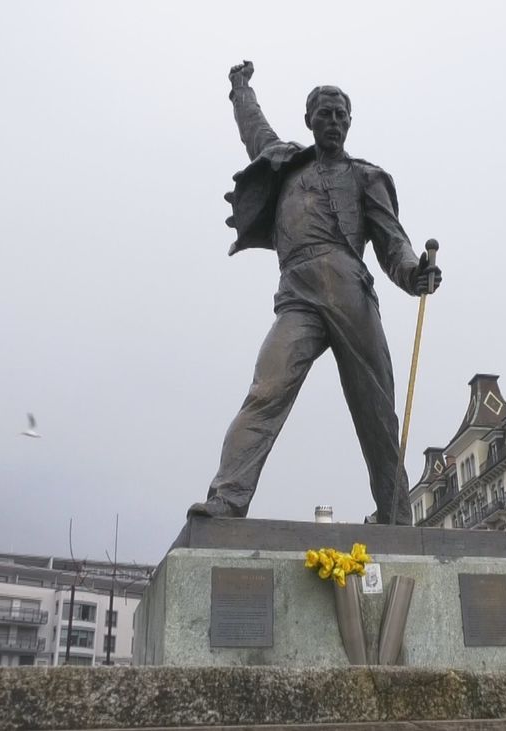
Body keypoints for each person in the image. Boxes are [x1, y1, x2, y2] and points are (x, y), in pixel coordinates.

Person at [188, 60, 442, 525]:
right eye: (324, 114)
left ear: (350, 122)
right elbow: (253, 130)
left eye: (341, 115)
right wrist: (239, 87)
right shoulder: (285, 164)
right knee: (266, 390)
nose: (333, 122)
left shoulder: (367, 177)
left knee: (376, 412)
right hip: (298, 295)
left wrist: (413, 272)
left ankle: (395, 516)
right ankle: (227, 498)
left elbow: (393, 240)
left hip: (350, 292)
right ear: (309, 120)